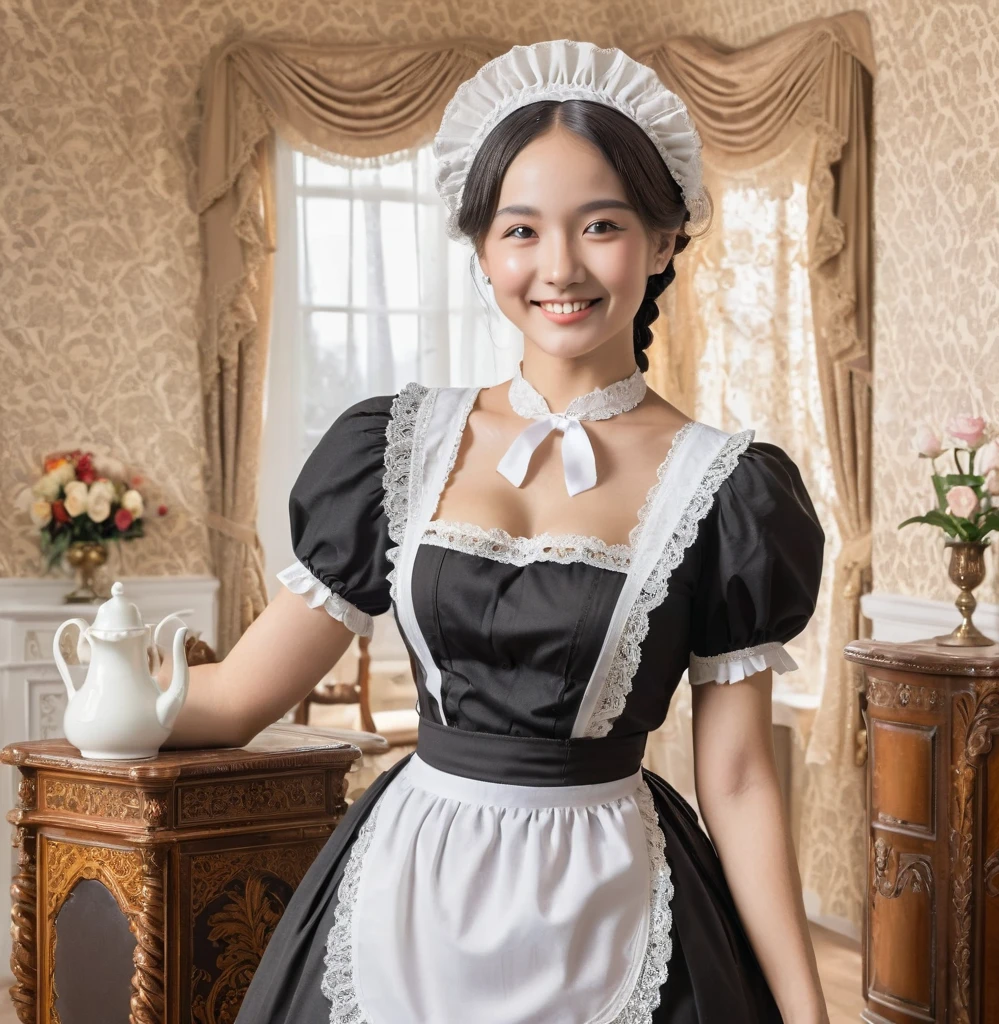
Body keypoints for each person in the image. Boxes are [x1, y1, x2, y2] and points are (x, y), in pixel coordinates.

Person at [165, 39, 830, 1024]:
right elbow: (241, 697)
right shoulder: (394, 448)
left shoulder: (726, 487)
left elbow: (734, 779)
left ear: (661, 240)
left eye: (600, 225)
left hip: (615, 889)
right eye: (521, 229)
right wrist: (114, 700)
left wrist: (807, 1012)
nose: (558, 265)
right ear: (482, 249)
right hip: (412, 886)